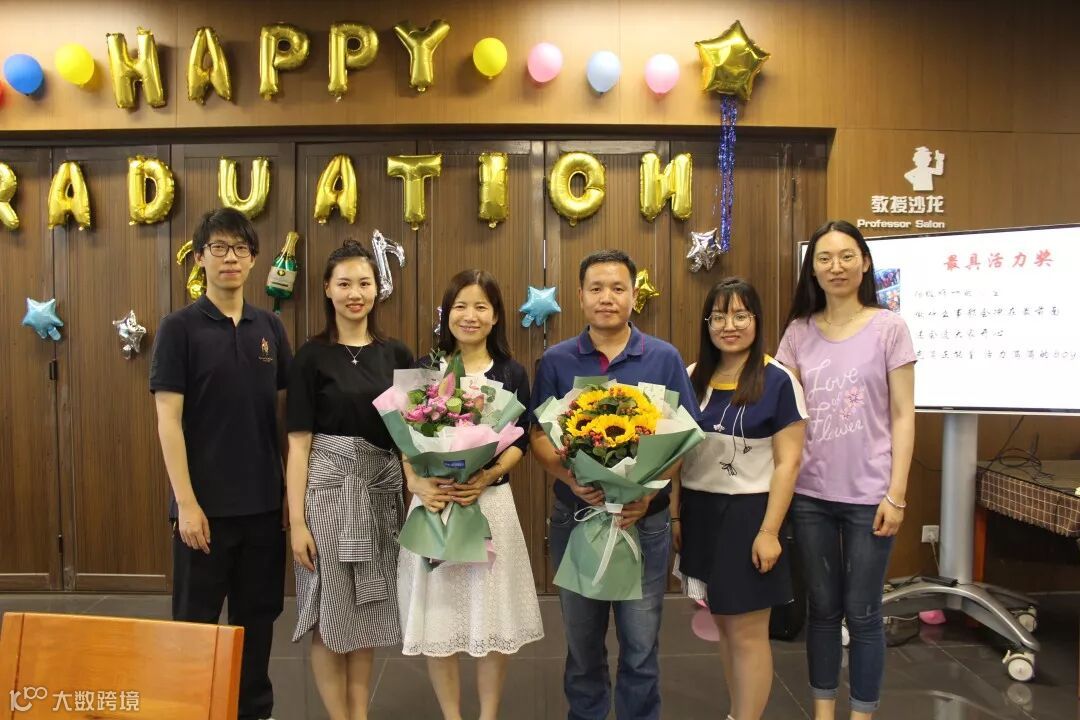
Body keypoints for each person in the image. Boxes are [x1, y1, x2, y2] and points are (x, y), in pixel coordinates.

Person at [530, 249, 698, 720]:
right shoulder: (557, 360)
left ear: (633, 296)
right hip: (577, 516)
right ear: (580, 296)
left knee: (641, 645)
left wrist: (649, 492)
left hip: (644, 522)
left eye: (618, 288)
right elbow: (538, 434)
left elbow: (685, 437)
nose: (607, 297)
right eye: (597, 288)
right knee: (582, 644)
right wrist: (571, 478)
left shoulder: (663, 358)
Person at [150, 207, 291, 720]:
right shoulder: (178, 328)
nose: (230, 258)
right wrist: (186, 504)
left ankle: (253, 712)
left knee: (257, 624)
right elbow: (168, 422)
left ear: (253, 259)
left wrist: (288, 500)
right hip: (203, 513)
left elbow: (283, 417)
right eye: (219, 248)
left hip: (262, 509)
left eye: (240, 249)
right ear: (200, 257)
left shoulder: (269, 326)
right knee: (196, 626)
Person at [776, 220, 916, 720]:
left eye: (846, 256)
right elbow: (785, 415)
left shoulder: (889, 327)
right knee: (821, 610)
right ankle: (823, 712)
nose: (836, 266)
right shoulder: (798, 332)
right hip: (810, 494)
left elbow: (903, 414)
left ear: (865, 262)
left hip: (870, 495)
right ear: (812, 269)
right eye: (824, 258)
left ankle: (861, 714)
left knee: (864, 612)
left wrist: (896, 494)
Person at [398, 269, 544, 720]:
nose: (470, 315)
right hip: (436, 503)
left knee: (491, 614)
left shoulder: (511, 372)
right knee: (438, 617)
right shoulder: (428, 368)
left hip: (489, 504)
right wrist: (415, 481)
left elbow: (521, 439)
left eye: (481, 306)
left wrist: (488, 475)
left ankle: (487, 715)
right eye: (460, 305)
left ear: (496, 316)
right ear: (446, 314)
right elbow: (404, 437)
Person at [285, 240, 413, 720]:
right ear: (327, 289)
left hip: (379, 497)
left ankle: (359, 714)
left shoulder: (397, 354)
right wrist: (297, 523)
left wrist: (418, 495)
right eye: (344, 284)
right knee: (329, 612)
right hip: (328, 495)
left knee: (368, 610)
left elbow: (409, 439)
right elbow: (299, 445)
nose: (355, 293)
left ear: (378, 289)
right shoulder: (310, 356)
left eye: (364, 283)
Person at [676, 277, 807, 720]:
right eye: (718, 317)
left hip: (750, 514)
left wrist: (769, 531)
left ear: (757, 320)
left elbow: (788, 463)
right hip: (701, 512)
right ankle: (738, 712)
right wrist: (676, 517)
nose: (728, 326)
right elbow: (678, 455)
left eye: (740, 315)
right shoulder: (693, 376)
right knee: (724, 624)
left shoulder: (778, 380)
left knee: (748, 631)